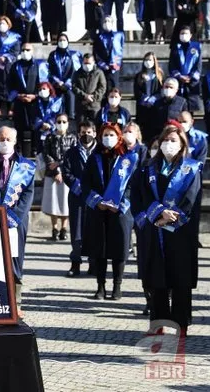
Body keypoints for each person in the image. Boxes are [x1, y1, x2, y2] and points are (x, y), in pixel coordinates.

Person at [131, 122, 201, 337]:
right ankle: (157, 323)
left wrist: (169, 220)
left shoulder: (192, 169)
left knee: (180, 280)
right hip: (154, 231)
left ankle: (181, 325)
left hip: (180, 232)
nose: (169, 144)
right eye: (166, 141)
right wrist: (157, 217)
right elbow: (138, 199)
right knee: (156, 279)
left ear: (182, 145)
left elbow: (191, 201)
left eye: (174, 141)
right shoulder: (146, 169)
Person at [0, 126, 35, 314]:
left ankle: (16, 302)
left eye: (8, 139)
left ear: (15, 141)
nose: (4, 142)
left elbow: (28, 194)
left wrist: (14, 216)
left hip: (16, 220)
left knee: (15, 260)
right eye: (1, 139)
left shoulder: (26, 166)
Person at [81, 123, 137, 301]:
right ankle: (100, 287)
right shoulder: (94, 157)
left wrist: (121, 204)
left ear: (119, 136)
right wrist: (97, 201)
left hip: (120, 211)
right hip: (99, 210)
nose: (108, 138)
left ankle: (117, 286)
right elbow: (85, 184)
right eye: (105, 135)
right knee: (100, 250)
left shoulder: (129, 158)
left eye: (112, 135)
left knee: (119, 249)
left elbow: (133, 185)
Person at [61, 119, 97, 277]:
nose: (86, 135)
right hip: (77, 197)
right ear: (78, 134)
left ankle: (94, 263)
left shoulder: (100, 153)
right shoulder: (71, 152)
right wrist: (80, 187)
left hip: (96, 198)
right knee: (76, 231)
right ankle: (75, 264)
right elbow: (66, 173)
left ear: (95, 134)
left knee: (95, 230)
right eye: (83, 133)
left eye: (89, 133)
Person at [41, 113, 76, 241]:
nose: (61, 124)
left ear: (68, 123)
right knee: (53, 202)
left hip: (67, 174)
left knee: (65, 202)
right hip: (52, 174)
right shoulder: (49, 138)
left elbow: (72, 155)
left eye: (64, 122)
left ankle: (64, 228)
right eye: (59, 121)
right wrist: (55, 170)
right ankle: (54, 228)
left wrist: (61, 166)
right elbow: (46, 154)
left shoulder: (72, 138)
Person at [7, 44, 42, 157]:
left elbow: (43, 83)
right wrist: (17, 95)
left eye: (28, 50)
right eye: (23, 50)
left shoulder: (38, 65)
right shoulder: (15, 66)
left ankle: (35, 149)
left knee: (35, 126)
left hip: (35, 102)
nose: (25, 52)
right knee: (19, 126)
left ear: (32, 51)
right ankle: (19, 149)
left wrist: (35, 95)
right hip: (19, 101)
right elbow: (10, 84)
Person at [140, 77, 188, 143]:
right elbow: (152, 121)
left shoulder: (182, 102)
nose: (168, 89)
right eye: (166, 87)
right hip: (160, 136)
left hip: (175, 135)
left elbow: (185, 119)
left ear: (176, 90)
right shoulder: (157, 102)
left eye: (171, 87)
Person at [48, 33, 81, 120]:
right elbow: (49, 70)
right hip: (56, 85)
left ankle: (71, 116)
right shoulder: (52, 55)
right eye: (60, 40)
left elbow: (75, 71)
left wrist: (67, 82)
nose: (62, 42)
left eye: (64, 40)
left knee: (71, 96)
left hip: (69, 85)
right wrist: (57, 82)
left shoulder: (73, 55)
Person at [168, 26, 201, 111]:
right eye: (182, 33)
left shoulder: (196, 47)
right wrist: (179, 76)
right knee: (178, 109)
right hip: (179, 81)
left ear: (190, 35)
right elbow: (172, 64)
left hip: (192, 83)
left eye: (186, 33)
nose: (183, 35)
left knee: (190, 110)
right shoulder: (175, 47)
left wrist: (190, 77)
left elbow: (198, 64)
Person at [72, 53, 107, 122]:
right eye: (85, 63)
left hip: (94, 106)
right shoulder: (77, 73)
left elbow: (102, 87)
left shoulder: (99, 73)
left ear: (93, 62)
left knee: (95, 127)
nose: (87, 65)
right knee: (80, 126)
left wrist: (92, 97)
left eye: (89, 63)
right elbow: (74, 87)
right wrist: (84, 96)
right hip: (81, 105)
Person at [94, 16, 124, 91]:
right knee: (103, 87)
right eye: (105, 21)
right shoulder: (98, 37)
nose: (107, 23)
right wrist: (103, 65)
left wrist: (117, 64)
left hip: (114, 66)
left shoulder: (119, 35)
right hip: (103, 67)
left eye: (108, 21)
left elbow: (120, 50)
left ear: (112, 23)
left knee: (115, 87)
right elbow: (96, 53)